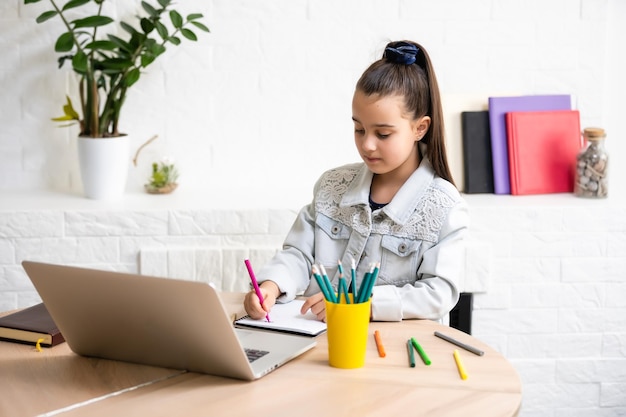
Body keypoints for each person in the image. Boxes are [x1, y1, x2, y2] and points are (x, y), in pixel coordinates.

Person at [244, 40, 469, 322]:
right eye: (359, 129)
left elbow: (438, 294)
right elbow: (299, 255)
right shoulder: (331, 186)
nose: (367, 145)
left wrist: (360, 305)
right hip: (319, 340)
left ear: (420, 128)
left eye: (383, 134)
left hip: (391, 348)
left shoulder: (444, 206)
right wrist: (271, 285)